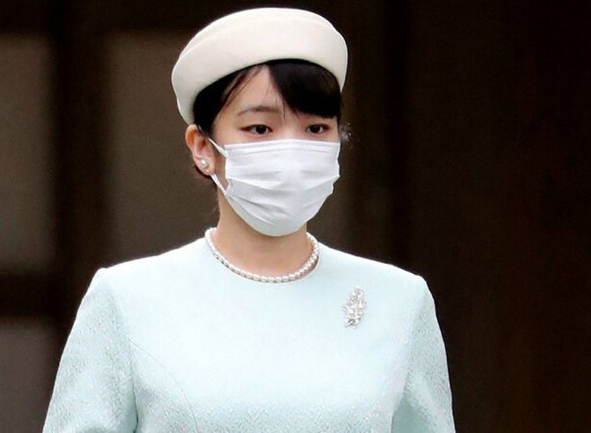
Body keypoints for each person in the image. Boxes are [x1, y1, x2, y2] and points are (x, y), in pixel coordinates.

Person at [42, 7, 456, 433]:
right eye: (260, 129)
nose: (291, 152)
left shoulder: (399, 302)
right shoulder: (126, 300)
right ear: (202, 147)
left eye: (316, 129)